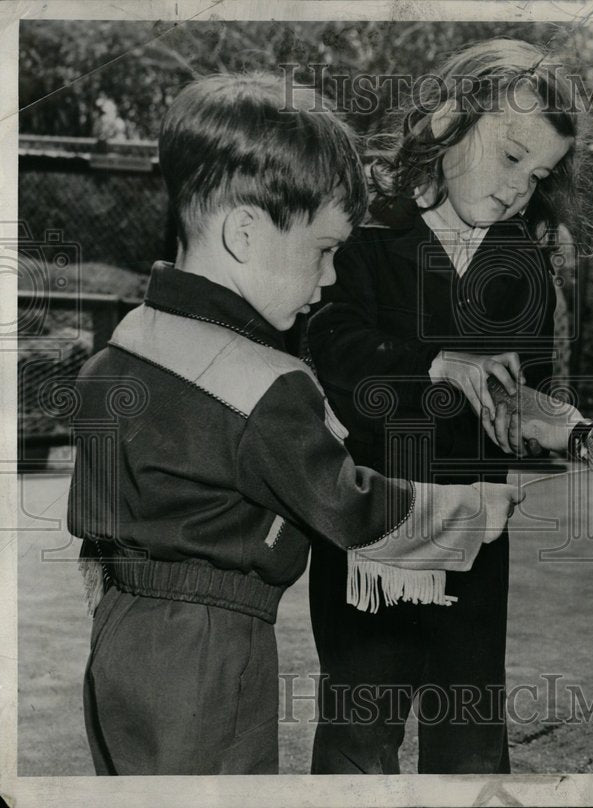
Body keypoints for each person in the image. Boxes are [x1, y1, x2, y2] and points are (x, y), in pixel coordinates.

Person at [67, 71, 522, 776]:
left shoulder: (120, 353)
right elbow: (352, 509)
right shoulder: (264, 386)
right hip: (213, 652)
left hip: (116, 639)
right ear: (246, 233)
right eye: (324, 249)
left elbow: (91, 518)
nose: (332, 278)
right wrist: (473, 512)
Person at [306, 38, 593, 774]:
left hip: (474, 541)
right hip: (371, 530)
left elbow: (518, 402)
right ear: (444, 122)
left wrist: (570, 432)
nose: (515, 190)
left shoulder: (521, 263)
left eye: (535, 178)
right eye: (509, 158)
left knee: (470, 744)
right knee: (358, 738)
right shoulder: (367, 230)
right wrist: (435, 363)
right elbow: (333, 343)